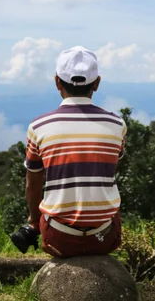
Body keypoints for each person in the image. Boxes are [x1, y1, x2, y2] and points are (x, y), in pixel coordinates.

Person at [23, 45, 127, 258]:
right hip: (105, 237)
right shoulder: (117, 124)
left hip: (59, 239)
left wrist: (34, 221)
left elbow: (32, 184)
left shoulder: (38, 126)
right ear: (97, 83)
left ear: (56, 82)